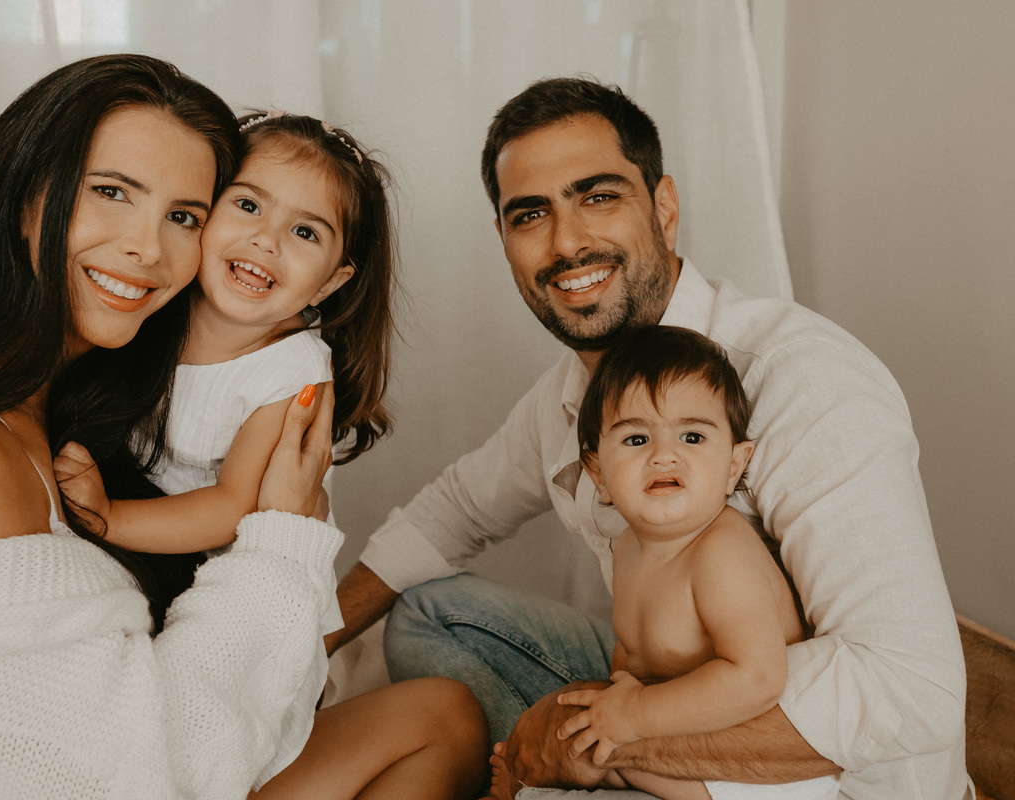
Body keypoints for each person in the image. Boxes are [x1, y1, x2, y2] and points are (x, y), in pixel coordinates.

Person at [0, 54, 486, 799]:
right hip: (123, 776)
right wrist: (282, 538)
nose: (148, 248)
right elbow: (122, 776)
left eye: (183, 216)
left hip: (142, 734)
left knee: (445, 716)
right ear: (26, 193)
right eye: (111, 192)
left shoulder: (87, 387)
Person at [328, 77, 969, 799]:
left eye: (598, 196)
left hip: (830, 776)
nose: (567, 242)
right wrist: (298, 645)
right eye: (530, 214)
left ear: (663, 208)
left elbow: (911, 690)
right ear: (505, 242)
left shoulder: (802, 377)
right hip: (660, 699)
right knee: (430, 616)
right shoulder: (572, 396)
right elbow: (453, 512)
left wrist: (613, 746)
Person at [53, 108, 399, 788]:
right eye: (247, 205)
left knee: (215, 738)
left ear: (331, 281)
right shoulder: (158, 299)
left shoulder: (291, 373)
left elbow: (234, 508)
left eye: (305, 232)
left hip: (236, 583)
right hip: (153, 557)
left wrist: (107, 517)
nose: (266, 240)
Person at [484, 325, 836, 800]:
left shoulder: (721, 553)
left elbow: (758, 677)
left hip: (755, 769)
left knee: (589, 752)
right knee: (580, 727)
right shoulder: (629, 547)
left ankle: (544, 786)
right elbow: (633, 654)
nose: (664, 456)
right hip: (672, 734)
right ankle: (546, 778)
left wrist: (633, 716)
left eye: (692, 436)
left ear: (734, 466)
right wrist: (616, 701)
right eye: (636, 440)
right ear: (598, 474)